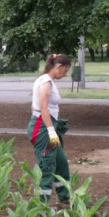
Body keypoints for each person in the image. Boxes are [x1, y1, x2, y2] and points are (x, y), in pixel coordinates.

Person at [28, 54, 72, 204]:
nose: (65, 74)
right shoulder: (46, 82)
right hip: (43, 128)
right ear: (59, 66)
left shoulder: (44, 80)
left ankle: (65, 197)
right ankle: (42, 205)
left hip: (45, 125)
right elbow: (43, 108)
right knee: (47, 166)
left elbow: (34, 106)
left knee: (61, 162)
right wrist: (51, 131)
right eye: (65, 71)